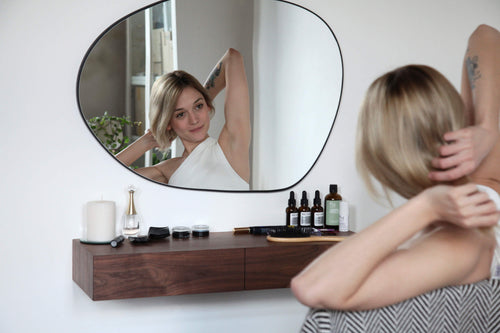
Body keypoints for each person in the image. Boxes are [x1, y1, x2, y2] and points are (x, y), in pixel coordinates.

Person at [291, 24, 500, 311]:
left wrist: (426, 206)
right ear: (457, 119)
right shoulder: (485, 181)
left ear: (380, 159)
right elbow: (484, 35)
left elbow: (310, 287)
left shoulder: (461, 245)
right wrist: (488, 128)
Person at [116, 48, 251, 190]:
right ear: (168, 123)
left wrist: (205, 100)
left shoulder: (231, 148)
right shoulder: (168, 171)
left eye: (198, 106)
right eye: (180, 114)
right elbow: (104, 179)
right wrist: (144, 143)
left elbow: (232, 57)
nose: (194, 120)